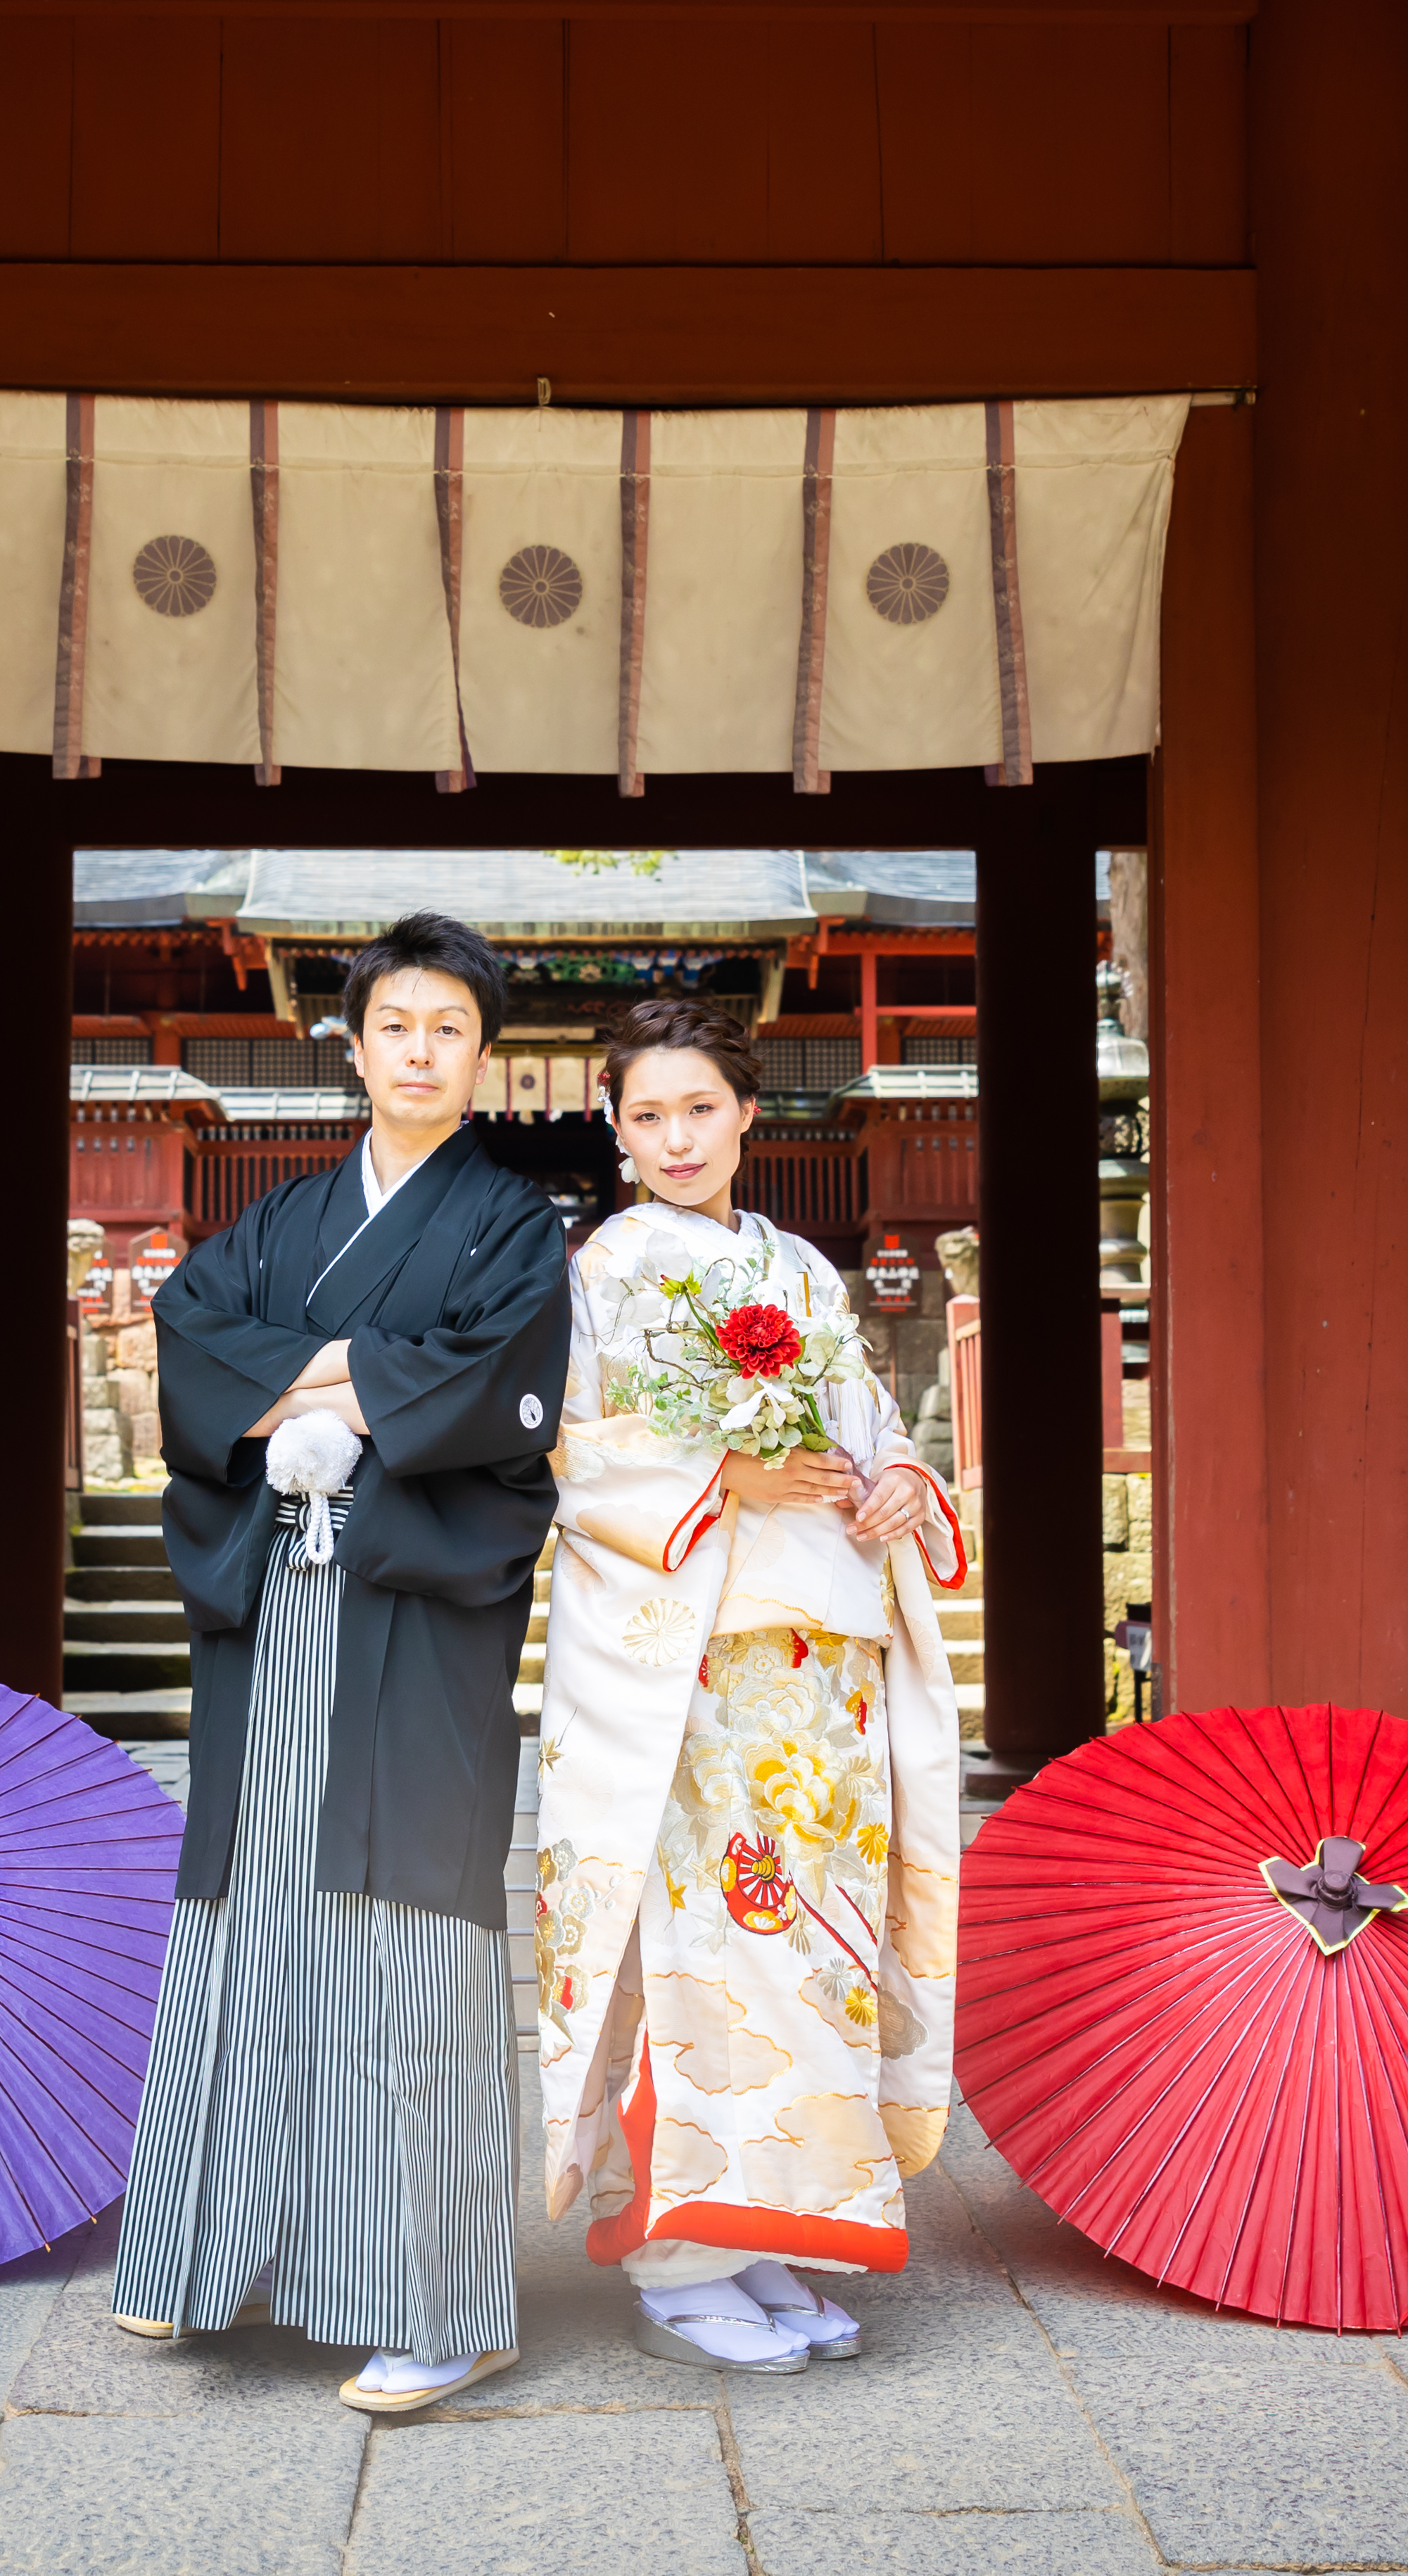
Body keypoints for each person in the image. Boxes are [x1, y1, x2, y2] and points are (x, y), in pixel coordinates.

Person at [108, 911, 571, 2416]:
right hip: (276, 1605)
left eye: (450, 1027)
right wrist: (365, 1378)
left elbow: (500, 1383)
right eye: (398, 1025)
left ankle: (440, 2300)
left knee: (409, 1931)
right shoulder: (283, 1216)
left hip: (413, 1610)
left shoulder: (510, 1223)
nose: (421, 1050)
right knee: (257, 1914)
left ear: (481, 1055)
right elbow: (190, 1333)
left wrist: (310, 1377)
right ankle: (226, 2250)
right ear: (356, 1043)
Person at [528, 994, 966, 2376]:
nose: (672, 1136)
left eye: (698, 1108)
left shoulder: (798, 1266)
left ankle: (765, 2221)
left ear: (747, 1114)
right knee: (707, 1946)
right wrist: (724, 1478)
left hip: (825, 1659)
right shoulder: (602, 1270)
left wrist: (900, 1474)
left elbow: (870, 1419)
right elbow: (572, 1455)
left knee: (812, 1955)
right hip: (699, 1661)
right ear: (614, 1124)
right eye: (645, 1113)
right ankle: (679, 2251)